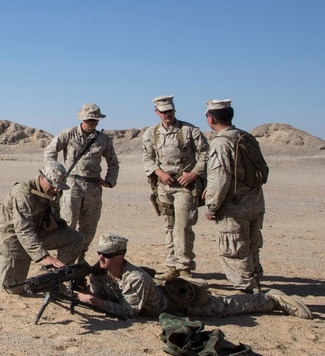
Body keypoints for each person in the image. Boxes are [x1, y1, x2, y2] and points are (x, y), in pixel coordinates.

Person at [76, 233, 311, 320]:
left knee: (225, 306)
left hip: (176, 306)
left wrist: (92, 301)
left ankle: (270, 299)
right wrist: (86, 294)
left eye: (107, 255)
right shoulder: (100, 273)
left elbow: (128, 312)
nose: (101, 258)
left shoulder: (135, 277)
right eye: (99, 254)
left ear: (121, 256)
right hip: (154, 302)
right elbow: (104, 298)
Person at [0, 160, 85, 293]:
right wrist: (44, 257)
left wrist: (55, 224)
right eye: (53, 185)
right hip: (14, 239)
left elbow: (54, 213)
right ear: (42, 178)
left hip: (38, 233)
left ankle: (55, 279)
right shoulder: (22, 194)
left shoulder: (54, 192)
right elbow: (23, 230)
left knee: (76, 238)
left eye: (59, 186)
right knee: (12, 288)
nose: (56, 190)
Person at [142, 95, 209, 280]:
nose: (167, 115)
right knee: (169, 227)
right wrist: (159, 173)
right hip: (163, 187)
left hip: (184, 187)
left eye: (170, 111)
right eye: (163, 112)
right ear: (157, 112)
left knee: (183, 227)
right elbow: (147, 158)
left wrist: (194, 173)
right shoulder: (151, 133)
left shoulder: (190, 131)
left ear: (174, 111)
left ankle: (184, 267)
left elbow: (205, 154)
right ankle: (171, 266)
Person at [204, 99, 266, 292]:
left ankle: (246, 291)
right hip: (254, 205)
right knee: (251, 249)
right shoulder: (246, 137)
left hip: (234, 209)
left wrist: (211, 206)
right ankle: (255, 285)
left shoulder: (222, 143)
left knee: (234, 252)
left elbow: (220, 180)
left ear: (211, 118)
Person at [44, 103, 119, 257]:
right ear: (83, 119)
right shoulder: (68, 134)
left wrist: (109, 181)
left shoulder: (103, 139)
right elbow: (50, 151)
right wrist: (54, 176)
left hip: (93, 187)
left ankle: (80, 257)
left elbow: (113, 162)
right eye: (90, 120)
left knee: (89, 225)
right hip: (72, 185)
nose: (93, 123)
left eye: (96, 120)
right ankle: (64, 257)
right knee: (67, 222)